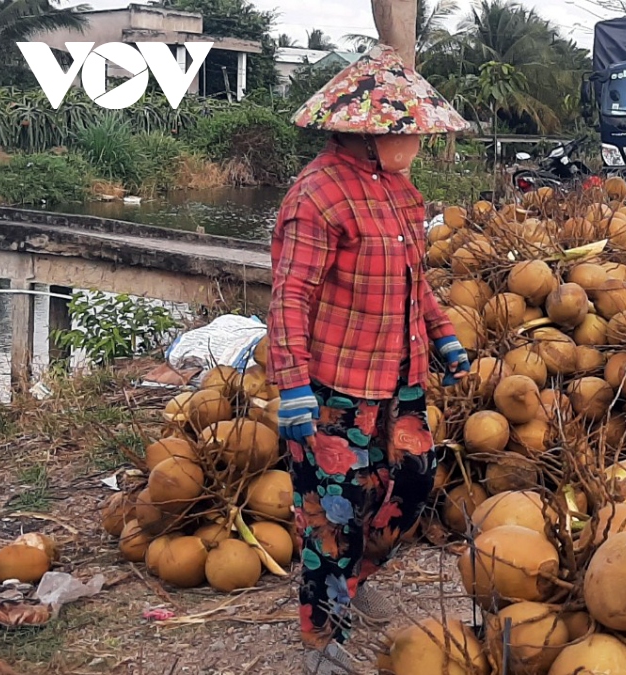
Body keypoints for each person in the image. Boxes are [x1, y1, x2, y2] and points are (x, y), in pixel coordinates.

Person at [268, 44, 471, 674]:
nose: (416, 143)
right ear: (366, 132)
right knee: (332, 509)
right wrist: (292, 383)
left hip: (403, 377)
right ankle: (318, 638)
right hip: (335, 387)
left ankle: (352, 581)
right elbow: (289, 295)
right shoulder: (317, 196)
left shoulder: (402, 194)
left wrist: (443, 336)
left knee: (411, 485)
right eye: (406, 132)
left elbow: (418, 282)